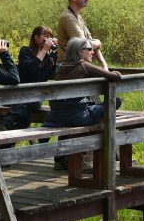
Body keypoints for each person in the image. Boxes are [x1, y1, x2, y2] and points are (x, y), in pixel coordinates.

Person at [43, 37, 122, 170]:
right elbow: (115, 77)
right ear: (80, 52)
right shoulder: (83, 66)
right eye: (89, 50)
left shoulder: (62, 67)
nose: (92, 52)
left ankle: (63, 158)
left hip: (56, 116)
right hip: (77, 116)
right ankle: (95, 160)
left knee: (86, 110)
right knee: (116, 102)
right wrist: (113, 71)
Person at [0, 26, 58, 133]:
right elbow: (30, 69)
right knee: (24, 118)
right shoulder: (25, 51)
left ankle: (4, 124)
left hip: (36, 95)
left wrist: (54, 51)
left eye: (50, 37)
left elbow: (40, 79)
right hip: (20, 92)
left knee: (26, 106)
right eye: (45, 36)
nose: (48, 39)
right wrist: (44, 50)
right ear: (36, 38)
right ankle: (7, 142)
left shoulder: (50, 59)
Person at [57, 0, 108, 70]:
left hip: (76, 65)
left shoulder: (78, 17)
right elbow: (84, 46)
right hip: (67, 67)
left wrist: (104, 65)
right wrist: (98, 42)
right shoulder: (68, 17)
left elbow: (90, 44)